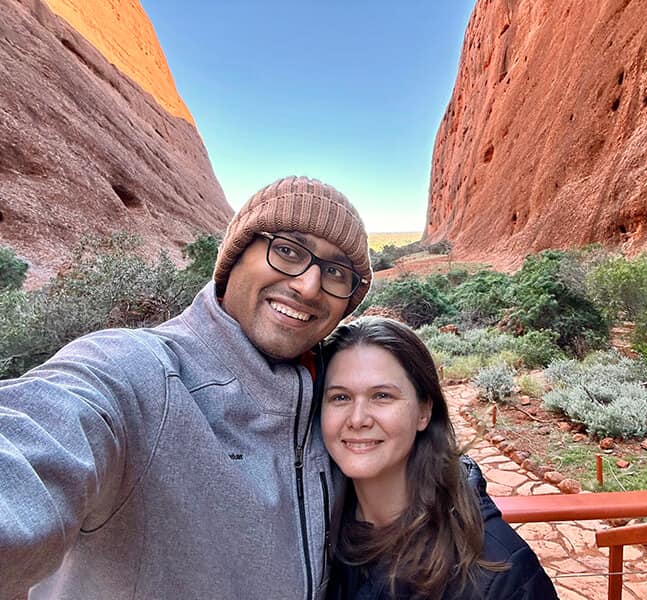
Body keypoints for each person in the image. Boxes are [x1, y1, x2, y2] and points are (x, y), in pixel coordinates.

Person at [0, 176, 372, 600]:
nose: (308, 286)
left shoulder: (337, 406)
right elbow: (36, 436)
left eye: (336, 272)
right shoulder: (136, 372)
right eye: (287, 251)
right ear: (235, 257)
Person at [320, 317, 559, 599]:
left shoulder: (502, 575)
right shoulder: (316, 535)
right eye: (340, 397)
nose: (358, 419)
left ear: (424, 411)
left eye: (382, 395)